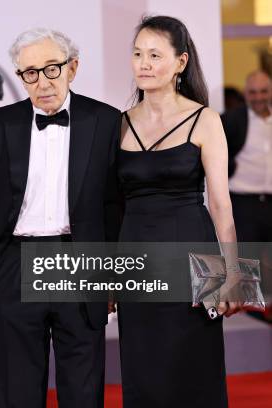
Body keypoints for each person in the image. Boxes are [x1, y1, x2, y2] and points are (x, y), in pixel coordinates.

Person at [0, 28, 121, 408]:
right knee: (16, 391)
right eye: (30, 73)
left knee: (83, 390)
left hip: (81, 262)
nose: (42, 82)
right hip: (15, 265)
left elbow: (115, 204)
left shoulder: (105, 121)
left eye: (52, 69)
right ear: (20, 77)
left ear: (73, 68)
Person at [117, 16, 239, 407]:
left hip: (195, 259)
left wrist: (235, 275)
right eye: (138, 54)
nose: (143, 64)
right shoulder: (117, 124)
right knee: (143, 372)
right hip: (136, 261)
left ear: (181, 62)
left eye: (155, 55)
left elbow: (221, 204)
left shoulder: (205, 120)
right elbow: (110, 204)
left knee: (194, 371)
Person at [222, 70, 272, 322]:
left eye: (264, 91)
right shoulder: (233, 120)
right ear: (246, 94)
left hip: (270, 201)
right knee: (246, 262)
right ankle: (250, 319)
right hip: (243, 202)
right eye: (253, 92)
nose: (259, 97)